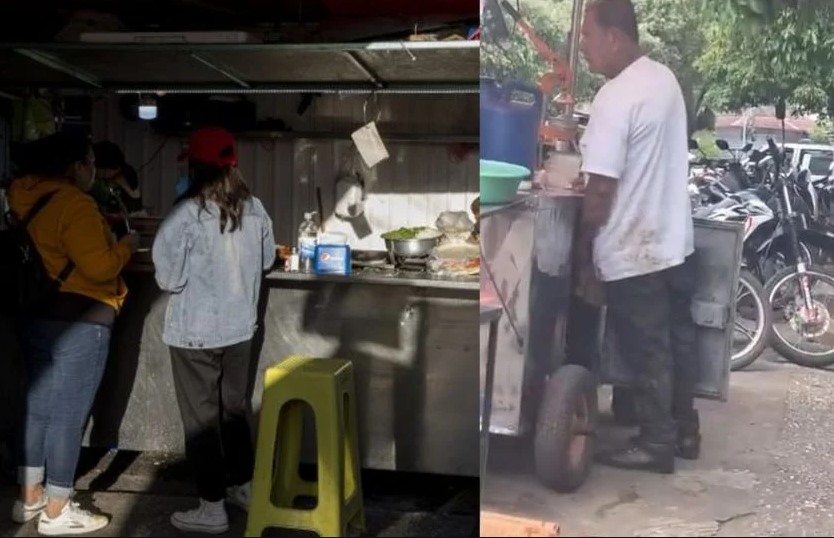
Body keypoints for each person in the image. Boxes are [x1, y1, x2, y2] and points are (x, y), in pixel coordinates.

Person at [574, 0, 698, 474]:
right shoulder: (663, 79)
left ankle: (656, 444)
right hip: (674, 243)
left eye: (587, 35)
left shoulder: (615, 96)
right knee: (675, 343)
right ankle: (685, 430)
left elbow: (600, 188)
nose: (583, 46)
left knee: (647, 350)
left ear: (614, 37)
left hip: (634, 247)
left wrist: (586, 254)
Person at [8, 131, 139, 534]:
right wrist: (127, 246)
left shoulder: (21, 194)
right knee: (68, 416)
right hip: (82, 320)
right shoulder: (75, 205)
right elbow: (100, 268)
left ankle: (29, 499)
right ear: (75, 166)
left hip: (37, 313)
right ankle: (58, 510)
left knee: (38, 409)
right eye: (90, 163)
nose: (93, 171)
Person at [152, 126, 276, 534]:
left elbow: (168, 279)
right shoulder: (254, 208)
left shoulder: (186, 213)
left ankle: (211, 507)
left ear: (195, 165)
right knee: (234, 412)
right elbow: (266, 261)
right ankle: (243, 486)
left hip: (195, 335)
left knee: (202, 423)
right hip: (240, 330)